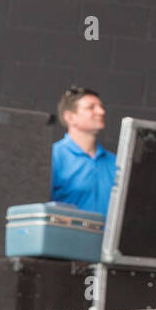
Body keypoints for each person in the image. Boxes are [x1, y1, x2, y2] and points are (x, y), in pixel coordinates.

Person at [50, 86, 116, 216]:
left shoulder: (116, 162)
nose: (101, 111)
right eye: (91, 107)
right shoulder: (53, 156)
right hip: (67, 236)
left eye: (101, 107)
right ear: (70, 117)